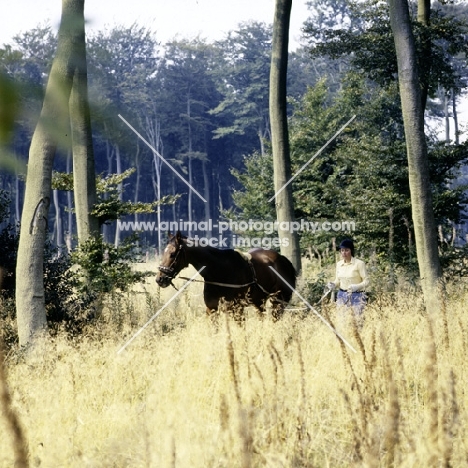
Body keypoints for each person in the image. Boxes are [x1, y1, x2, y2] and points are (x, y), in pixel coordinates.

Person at [327, 239, 369, 327]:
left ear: (351, 251)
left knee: (357, 323)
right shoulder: (339, 264)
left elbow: (367, 281)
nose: (344, 253)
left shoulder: (359, 264)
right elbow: (338, 280)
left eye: (346, 250)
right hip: (342, 295)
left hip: (357, 296)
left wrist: (357, 286)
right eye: (342, 250)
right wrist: (333, 284)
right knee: (342, 322)